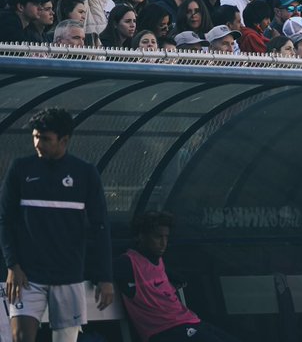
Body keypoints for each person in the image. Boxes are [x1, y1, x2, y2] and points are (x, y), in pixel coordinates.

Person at [0, 107, 113, 342]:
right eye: (35, 136)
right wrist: (13, 265)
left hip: (69, 275)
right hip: (27, 276)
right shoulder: (20, 169)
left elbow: (100, 227)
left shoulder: (85, 173)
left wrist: (105, 277)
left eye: (45, 139)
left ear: (64, 140)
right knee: (20, 337)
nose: (37, 144)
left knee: (66, 339)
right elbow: (5, 220)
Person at [113, 211, 238, 342]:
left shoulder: (158, 260)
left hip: (187, 321)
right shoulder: (128, 263)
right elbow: (101, 272)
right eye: (158, 237)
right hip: (164, 330)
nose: (163, 243)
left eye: (166, 237)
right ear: (142, 236)